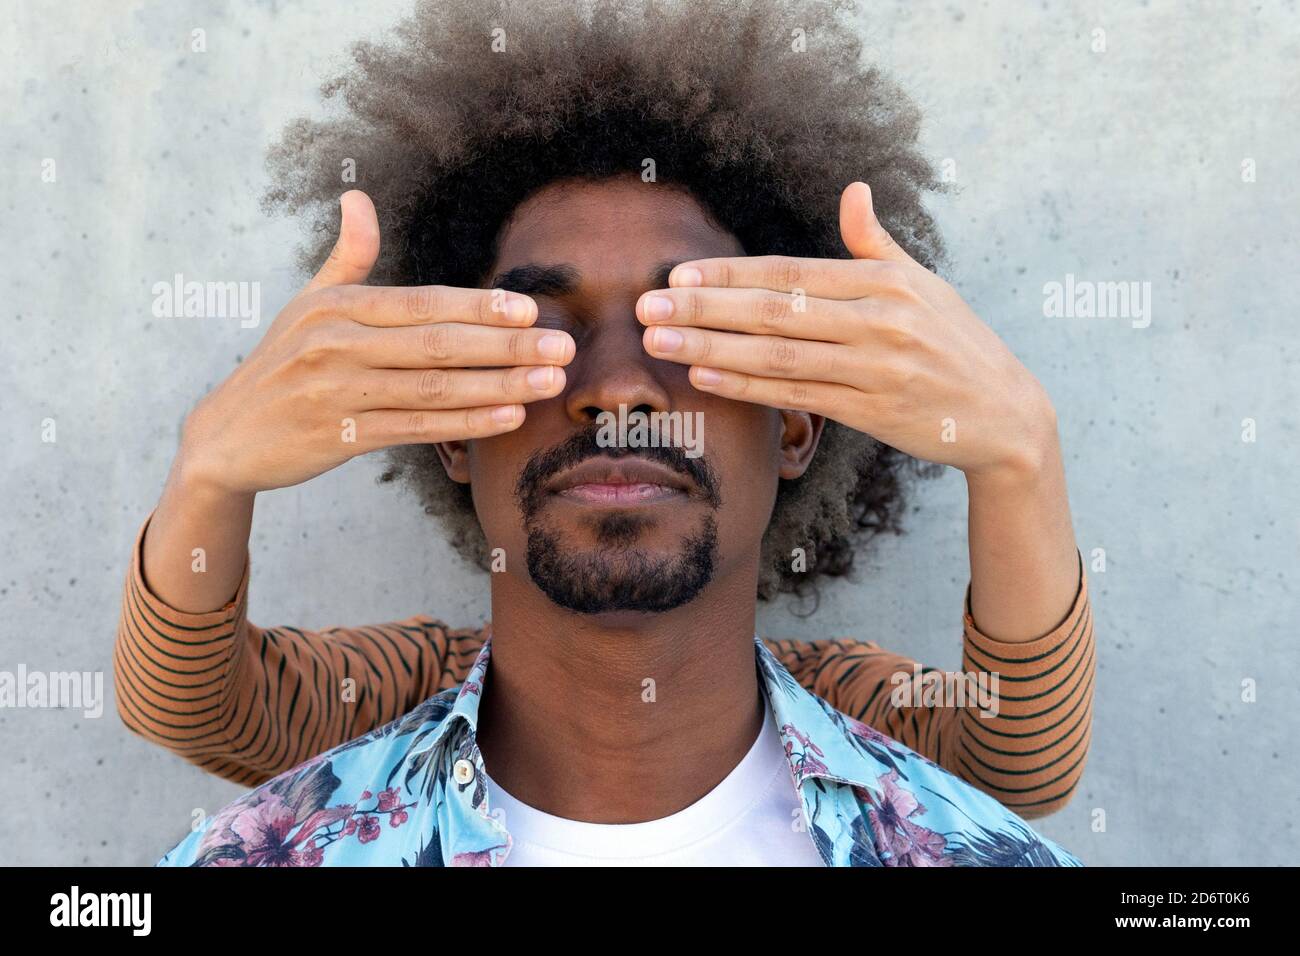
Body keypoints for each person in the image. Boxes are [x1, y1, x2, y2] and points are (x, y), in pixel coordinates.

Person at [128, 0, 1091, 866]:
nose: (621, 389)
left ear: (799, 416)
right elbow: (195, 698)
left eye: (691, 328)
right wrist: (211, 468)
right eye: (545, 329)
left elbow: (1017, 757)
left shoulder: (867, 740)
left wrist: (1017, 450)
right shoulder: (346, 760)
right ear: (447, 425)